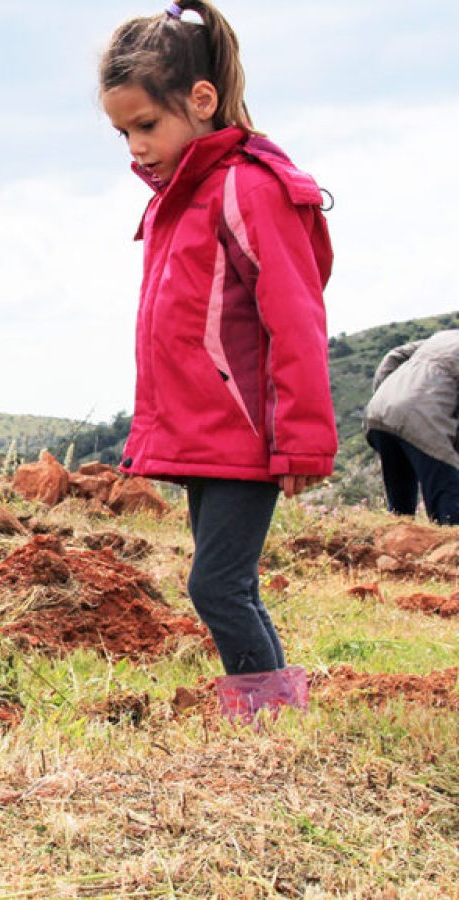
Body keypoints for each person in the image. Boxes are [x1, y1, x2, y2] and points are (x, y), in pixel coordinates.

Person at [98, 1, 336, 720]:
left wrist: (300, 440)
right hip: (210, 435)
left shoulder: (249, 188)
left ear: (201, 100)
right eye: (123, 132)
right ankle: (275, 715)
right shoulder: (183, 195)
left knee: (216, 585)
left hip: (247, 432)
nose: (137, 147)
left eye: (147, 125)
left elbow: (296, 318)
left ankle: (264, 720)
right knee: (231, 584)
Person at [364, 330, 459, 525]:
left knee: (400, 510)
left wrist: (386, 399)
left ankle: (394, 542)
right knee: (449, 503)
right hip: (424, 416)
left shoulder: (444, 337)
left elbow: (393, 356)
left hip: (380, 410)